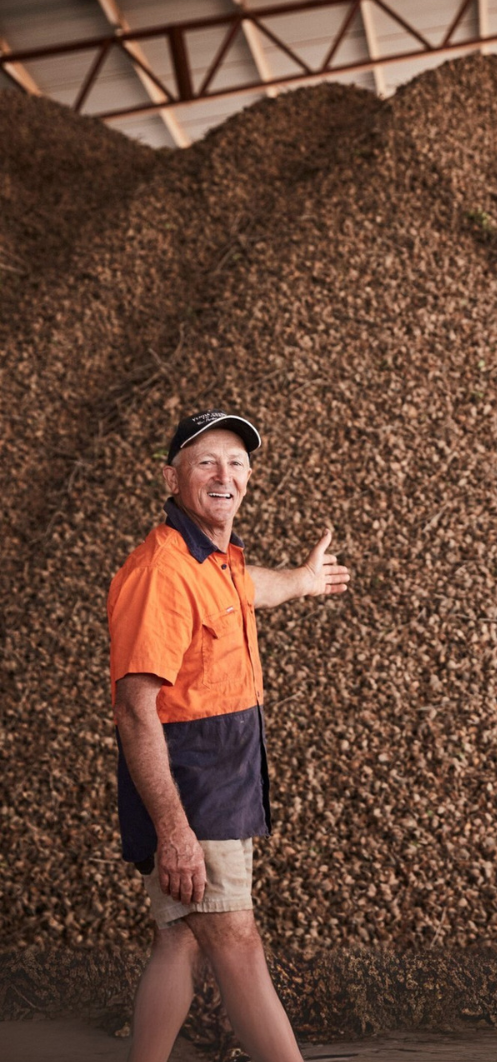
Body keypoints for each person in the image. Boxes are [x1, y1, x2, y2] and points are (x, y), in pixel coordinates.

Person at [108, 410, 350, 1062]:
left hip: (219, 786)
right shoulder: (162, 571)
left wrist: (302, 581)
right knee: (237, 943)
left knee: (181, 939)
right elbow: (135, 709)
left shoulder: (213, 561)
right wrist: (174, 830)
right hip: (193, 790)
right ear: (171, 477)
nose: (225, 475)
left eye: (237, 462)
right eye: (206, 462)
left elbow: (248, 589)